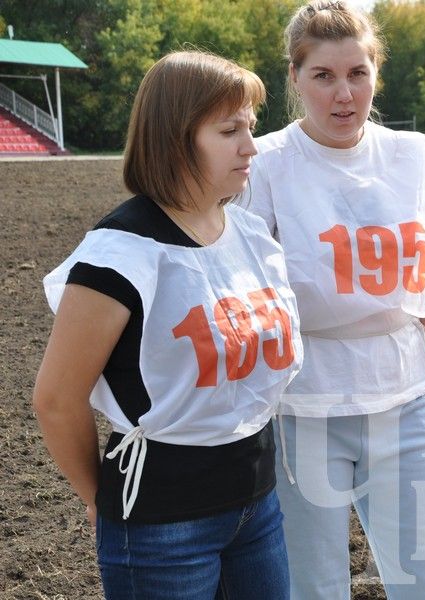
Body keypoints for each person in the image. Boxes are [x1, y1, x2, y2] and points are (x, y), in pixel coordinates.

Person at [33, 50, 301, 599]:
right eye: (229, 130)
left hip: (258, 507)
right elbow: (56, 400)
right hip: (161, 527)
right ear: (176, 138)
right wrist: (99, 499)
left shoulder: (250, 234)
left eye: (250, 126)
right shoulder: (119, 253)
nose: (251, 146)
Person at [241, 2, 425, 598]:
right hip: (303, 410)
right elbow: (245, 303)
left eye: (357, 74)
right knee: (314, 589)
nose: (343, 94)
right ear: (294, 78)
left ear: (375, 74)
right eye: (323, 76)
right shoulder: (264, 166)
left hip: (408, 403)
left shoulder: (411, 156)